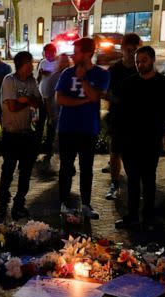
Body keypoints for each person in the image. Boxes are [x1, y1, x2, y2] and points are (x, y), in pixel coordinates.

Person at [115, 47, 165, 230]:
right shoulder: (128, 84)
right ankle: (132, 216)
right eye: (138, 62)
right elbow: (120, 113)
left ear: (152, 60)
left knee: (149, 180)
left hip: (150, 141)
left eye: (144, 61)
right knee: (133, 180)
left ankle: (148, 216)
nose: (140, 64)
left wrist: (159, 134)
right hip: (130, 142)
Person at [55, 38, 110, 219]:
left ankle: (85, 205)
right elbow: (59, 99)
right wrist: (80, 101)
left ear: (87, 54)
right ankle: (63, 203)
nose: (73, 55)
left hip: (88, 129)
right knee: (66, 167)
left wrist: (83, 78)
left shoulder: (101, 74)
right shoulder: (66, 73)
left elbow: (95, 97)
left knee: (87, 168)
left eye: (76, 51)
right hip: (67, 128)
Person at [0, 52, 43, 220]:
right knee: (8, 167)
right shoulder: (9, 81)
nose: (33, 66)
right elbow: (12, 107)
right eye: (30, 63)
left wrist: (25, 100)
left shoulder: (32, 81)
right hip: (12, 134)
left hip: (28, 133)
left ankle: (19, 202)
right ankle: (3, 198)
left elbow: (39, 103)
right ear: (23, 65)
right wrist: (25, 100)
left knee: (25, 171)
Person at [103, 33, 141, 200]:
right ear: (123, 49)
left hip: (137, 119)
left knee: (134, 153)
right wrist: (114, 98)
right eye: (129, 49)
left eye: (135, 50)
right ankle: (114, 183)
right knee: (115, 151)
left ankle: (134, 185)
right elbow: (105, 92)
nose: (132, 53)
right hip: (118, 117)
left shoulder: (142, 68)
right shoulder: (114, 70)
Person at [41, 53, 71, 156]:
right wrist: (50, 115)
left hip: (68, 113)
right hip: (55, 112)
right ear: (58, 62)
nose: (65, 63)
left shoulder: (72, 75)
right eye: (62, 61)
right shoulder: (54, 77)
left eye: (66, 61)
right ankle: (48, 154)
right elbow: (48, 97)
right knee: (51, 134)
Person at [36, 43, 59, 161]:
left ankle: (48, 151)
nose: (48, 55)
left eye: (50, 53)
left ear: (54, 52)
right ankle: (37, 149)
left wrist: (52, 75)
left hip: (53, 100)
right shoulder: (42, 62)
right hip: (42, 98)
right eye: (46, 53)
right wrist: (40, 74)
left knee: (51, 126)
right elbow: (38, 80)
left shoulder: (59, 63)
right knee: (39, 125)